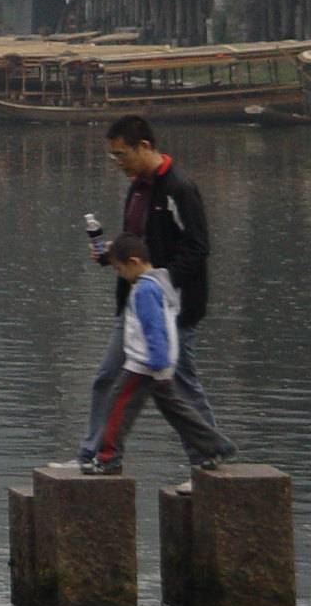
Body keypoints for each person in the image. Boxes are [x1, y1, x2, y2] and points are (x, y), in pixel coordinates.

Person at [59, 115, 235, 474]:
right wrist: (115, 254)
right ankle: (90, 454)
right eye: (113, 157)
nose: (118, 163)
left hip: (173, 306)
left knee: (181, 386)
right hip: (134, 303)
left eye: (121, 155)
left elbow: (198, 248)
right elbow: (140, 244)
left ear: (145, 146)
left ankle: (207, 458)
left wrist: (157, 282)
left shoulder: (178, 188)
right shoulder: (138, 187)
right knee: (107, 378)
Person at [81, 233, 231, 473]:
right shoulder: (162, 281)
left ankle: (108, 459)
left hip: (145, 364)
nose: (120, 275)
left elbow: (154, 327)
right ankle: (215, 445)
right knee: (176, 410)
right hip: (161, 364)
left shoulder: (145, 290)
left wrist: (156, 360)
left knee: (117, 407)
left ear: (133, 263)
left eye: (119, 269)